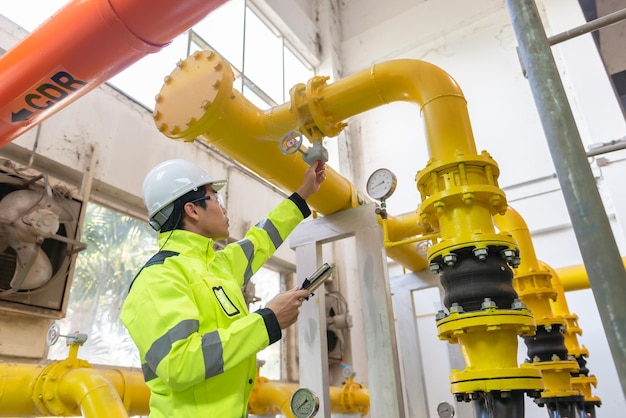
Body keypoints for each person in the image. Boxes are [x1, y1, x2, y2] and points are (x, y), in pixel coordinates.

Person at [120, 158, 326, 417]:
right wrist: (267, 321)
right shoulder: (157, 278)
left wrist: (303, 194)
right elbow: (179, 363)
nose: (224, 209)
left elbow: (261, 239)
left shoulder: (218, 265)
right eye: (215, 199)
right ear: (192, 210)